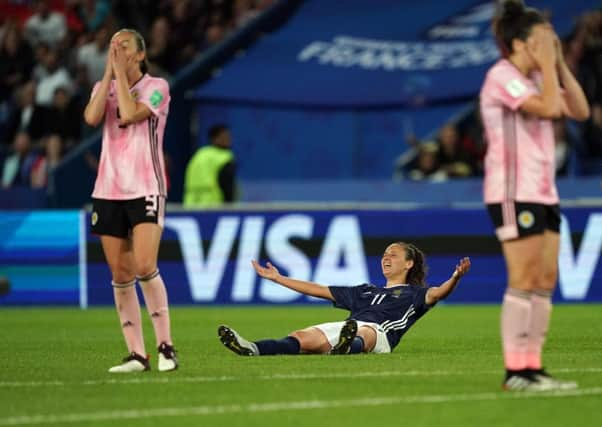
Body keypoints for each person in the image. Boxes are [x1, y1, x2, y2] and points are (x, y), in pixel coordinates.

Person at [480, 1, 590, 391]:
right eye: (544, 38)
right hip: (513, 192)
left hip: (544, 192)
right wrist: (547, 67)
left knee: (545, 280)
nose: (551, 43)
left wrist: (558, 64)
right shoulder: (502, 76)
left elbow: (579, 110)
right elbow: (547, 108)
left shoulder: (537, 79)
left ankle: (533, 367)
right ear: (522, 43)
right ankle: (515, 372)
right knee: (523, 278)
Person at [83, 28, 178, 373]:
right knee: (120, 274)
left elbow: (129, 112)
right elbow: (92, 118)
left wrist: (120, 76)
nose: (117, 50)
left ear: (140, 54)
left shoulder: (158, 89)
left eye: (124, 46)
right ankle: (138, 355)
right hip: (107, 190)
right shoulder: (102, 88)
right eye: (112, 46)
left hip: (145, 187)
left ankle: (166, 346)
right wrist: (109, 73)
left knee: (143, 265)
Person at [218, 242, 470, 356]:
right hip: (347, 327)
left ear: (409, 263)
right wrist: (278, 278)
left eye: (393, 254)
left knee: (367, 334)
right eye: (384, 254)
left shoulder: (415, 294)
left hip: (379, 334)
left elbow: (438, 293)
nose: (386, 257)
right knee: (301, 338)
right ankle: (252, 348)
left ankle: (349, 345)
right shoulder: (364, 291)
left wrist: (456, 277)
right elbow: (317, 289)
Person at [183, 124, 237, 207]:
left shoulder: (199, 154)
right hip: (213, 206)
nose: (228, 139)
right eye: (225, 136)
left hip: (190, 204)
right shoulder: (225, 157)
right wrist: (230, 206)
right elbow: (227, 185)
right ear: (214, 138)